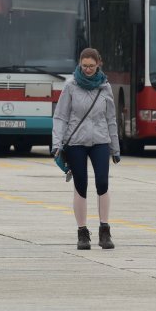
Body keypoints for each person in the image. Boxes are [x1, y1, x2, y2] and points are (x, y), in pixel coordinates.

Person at [52, 48, 120, 250]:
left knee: (102, 183)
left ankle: (104, 230)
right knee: (80, 185)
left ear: (99, 64)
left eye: (91, 66)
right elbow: (61, 116)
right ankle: (82, 233)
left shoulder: (105, 87)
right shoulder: (71, 86)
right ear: (80, 65)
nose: (88, 69)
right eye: (84, 66)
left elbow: (111, 119)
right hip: (76, 142)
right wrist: (56, 144)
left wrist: (115, 148)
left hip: (100, 140)